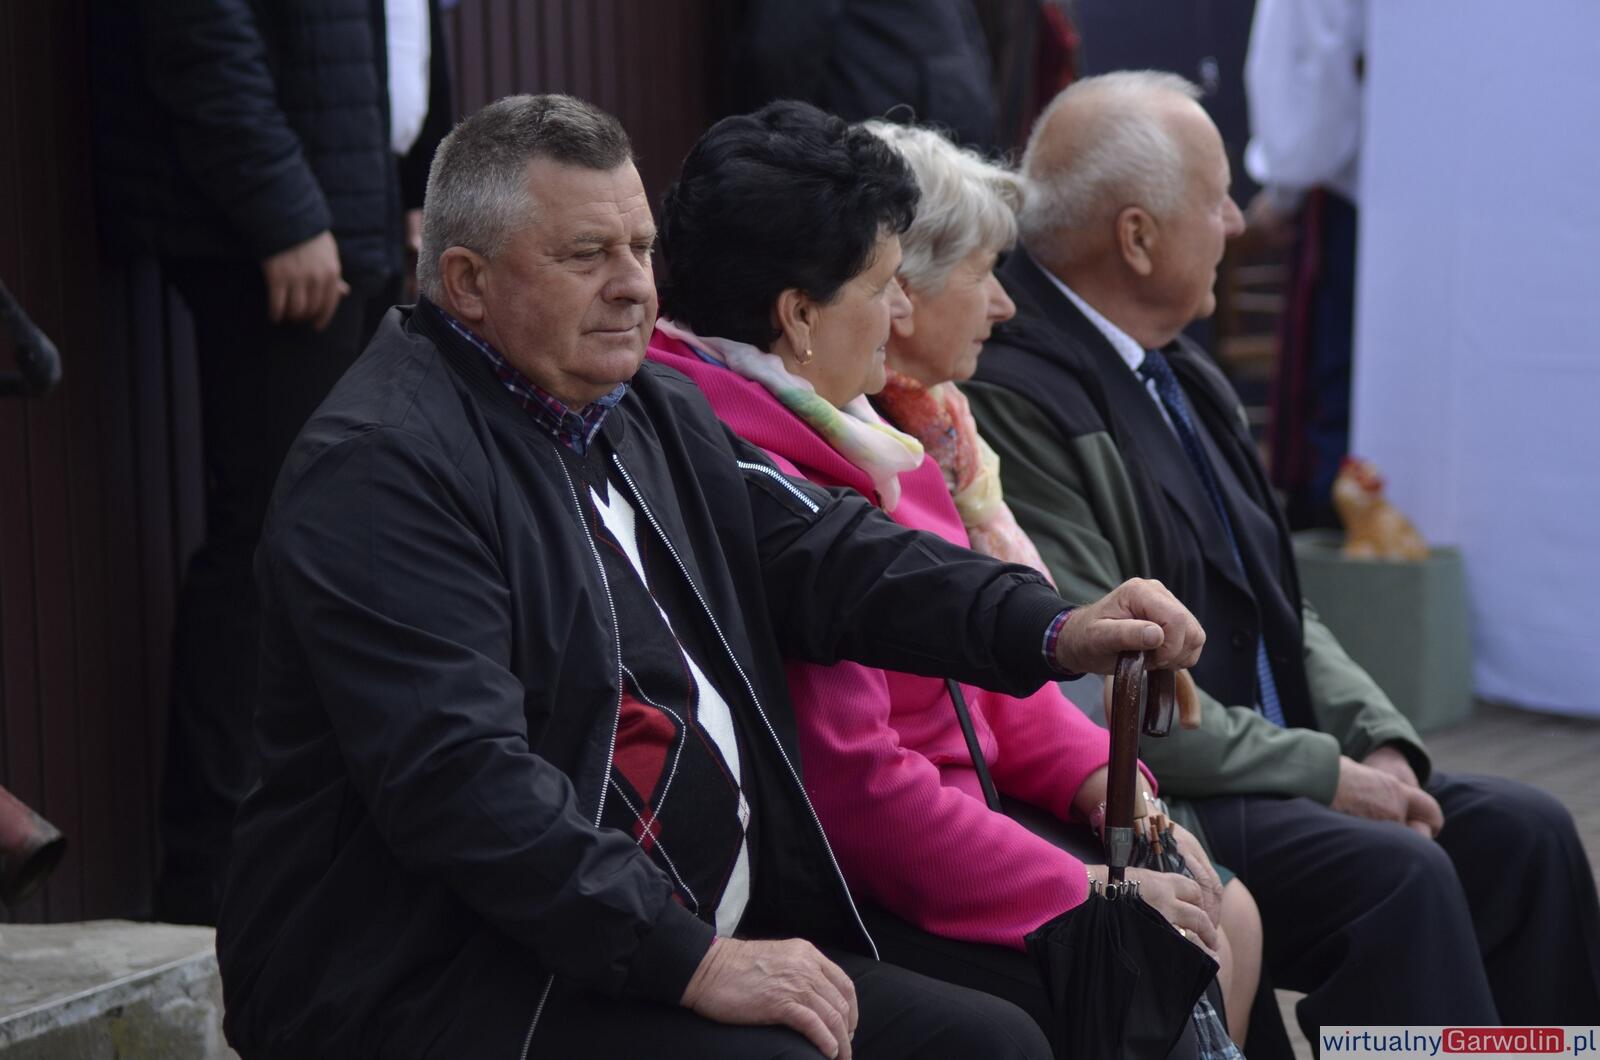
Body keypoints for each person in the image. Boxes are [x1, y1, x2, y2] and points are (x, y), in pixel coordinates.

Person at [214, 92, 1208, 1060]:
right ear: (468, 283)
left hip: (655, 929)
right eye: (586, 255)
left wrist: (1054, 627)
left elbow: (836, 559)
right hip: (454, 975)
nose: (633, 287)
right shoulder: (384, 467)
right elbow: (465, 786)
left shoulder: (641, 408)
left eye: (640, 249)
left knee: (1002, 1032)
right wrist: (693, 961)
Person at [962, 70, 1600, 1038]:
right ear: (1136, 238)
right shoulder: (1017, 398)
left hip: (1276, 756)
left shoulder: (1180, 369)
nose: (1235, 222)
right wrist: (1329, 772)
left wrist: (1377, 737)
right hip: (1182, 787)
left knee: (1528, 834)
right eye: (1215, 199)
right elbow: (1110, 692)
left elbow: (1278, 604)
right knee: (1401, 877)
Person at [646, 100, 1246, 1055]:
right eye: (882, 284)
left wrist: (1106, 781)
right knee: (1148, 967)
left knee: (1203, 919)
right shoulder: (751, 472)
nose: (901, 310)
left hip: (968, 830)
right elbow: (864, 795)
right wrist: (1083, 889)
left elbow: (988, 683)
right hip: (881, 881)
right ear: (798, 317)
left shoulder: (868, 437)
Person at [94, 0, 452, 924]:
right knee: (271, 545)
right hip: (285, 232)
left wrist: (419, 184)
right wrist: (284, 213)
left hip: (363, 211)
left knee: (363, 543)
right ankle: (213, 883)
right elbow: (200, 33)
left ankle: (326, 865)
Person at [1243, 0, 1367, 529]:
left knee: (1337, 375)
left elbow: (1311, 58)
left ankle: (1327, 499)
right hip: (1362, 188)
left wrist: (1285, 186)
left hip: (1349, 190)